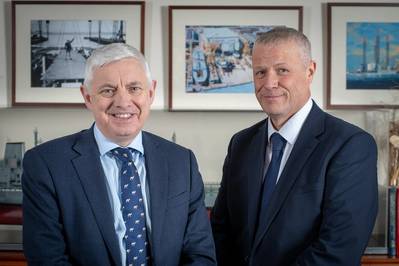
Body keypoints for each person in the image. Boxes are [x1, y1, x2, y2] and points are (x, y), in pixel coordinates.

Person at [22, 43, 216, 266]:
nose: (123, 102)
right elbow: (48, 260)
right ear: (87, 97)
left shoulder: (182, 162)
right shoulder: (46, 165)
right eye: (108, 90)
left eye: (134, 88)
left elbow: (200, 255)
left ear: (150, 93)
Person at [211, 27, 378, 266]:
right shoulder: (241, 143)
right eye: (260, 72)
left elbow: (339, 250)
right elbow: (221, 230)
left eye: (282, 70)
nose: (269, 83)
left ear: (310, 71)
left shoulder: (350, 145)